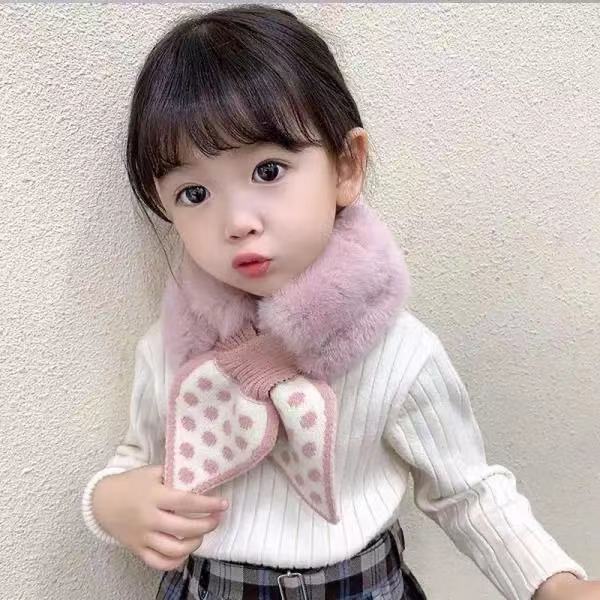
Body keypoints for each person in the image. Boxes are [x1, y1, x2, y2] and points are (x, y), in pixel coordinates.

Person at [81, 5, 597, 599]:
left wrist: (554, 584)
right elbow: (140, 454)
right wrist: (109, 501)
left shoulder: (399, 351)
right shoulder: (171, 347)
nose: (237, 221)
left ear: (346, 167)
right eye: (194, 193)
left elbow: (467, 490)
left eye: (268, 170)